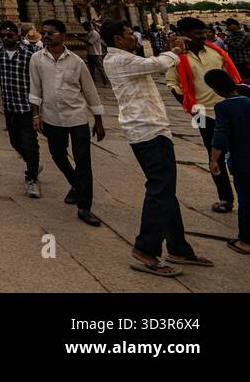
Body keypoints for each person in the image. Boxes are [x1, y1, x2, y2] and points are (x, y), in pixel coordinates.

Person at [99, 18, 212, 276]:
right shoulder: (119, 60)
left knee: (164, 190)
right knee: (160, 189)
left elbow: (152, 63)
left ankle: (178, 247)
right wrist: (174, 51)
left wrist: (170, 50)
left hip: (151, 129)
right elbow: (158, 64)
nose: (134, 37)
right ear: (118, 39)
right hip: (147, 130)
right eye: (129, 33)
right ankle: (145, 250)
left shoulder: (124, 59)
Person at [29, 19, 105, 226]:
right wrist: (35, 115)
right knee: (58, 155)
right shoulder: (37, 59)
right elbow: (35, 89)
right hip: (51, 116)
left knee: (83, 162)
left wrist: (98, 120)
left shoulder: (76, 61)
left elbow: (90, 91)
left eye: (51, 33)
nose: (46, 36)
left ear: (63, 36)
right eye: (44, 33)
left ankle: (84, 207)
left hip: (77, 116)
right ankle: (77, 184)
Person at [168, 16, 242, 214]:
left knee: (240, 151)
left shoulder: (216, 52)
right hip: (201, 113)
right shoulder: (175, 59)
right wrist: (190, 108)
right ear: (184, 35)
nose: (203, 37)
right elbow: (173, 85)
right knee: (213, 155)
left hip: (227, 108)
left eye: (204, 33)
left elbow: (231, 77)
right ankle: (225, 198)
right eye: (197, 34)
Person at [0, 19, 41, 197]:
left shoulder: (29, 53)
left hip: (28, 106)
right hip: (9, 105)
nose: (6, 38)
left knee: (30, 142)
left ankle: (31, 178)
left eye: (9, 35)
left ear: (17, 36)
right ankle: (33, 163)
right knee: (15, 141)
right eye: (2, 36)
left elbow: (38, 78)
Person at [204, 69, 250, 255]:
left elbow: (220, 135)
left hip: (242, 161)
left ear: (216, 91)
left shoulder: (223, 107)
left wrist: (214, 160)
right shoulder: (247, 101)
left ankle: (245, 241)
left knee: (246, 201)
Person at [84, 21, 106, 85]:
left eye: (84, 27)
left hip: (96, 53)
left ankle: (105, 81)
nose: (84, 28)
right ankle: (93, 81)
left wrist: (79, 39)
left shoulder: (94, 33)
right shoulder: (89, 33)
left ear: (88, 26)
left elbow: (90, 42)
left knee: (100, 68)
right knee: (92, 68)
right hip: (90, 53)